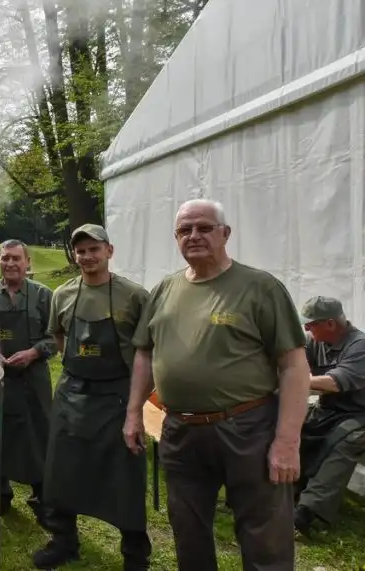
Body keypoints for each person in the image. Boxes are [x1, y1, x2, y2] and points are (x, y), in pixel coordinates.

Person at [124, 198, 310, 571]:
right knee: (187, 529)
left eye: (204, 227)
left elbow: (293, 366)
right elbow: (144, 354)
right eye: (184, 230)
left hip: (247, 427)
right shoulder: (165, 289)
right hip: (180, 430)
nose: (193, 236)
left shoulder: (260, 287)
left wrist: (287, 441)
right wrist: (132, 413)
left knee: (264, 534)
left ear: (226, 234)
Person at [35, 224, 152, 570]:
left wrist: (136, 405)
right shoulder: (64, 294)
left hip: (117, 396)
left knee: (125, 478)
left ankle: (135, 555)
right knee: (62, 470)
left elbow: (147, 350)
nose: (86, 257)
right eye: (80, 251)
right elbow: (58, 338)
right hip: (72, 393)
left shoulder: (135, 296)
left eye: (93, 250)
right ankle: (63, 541)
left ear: (109, 251)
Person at [0, 239, 56, 519]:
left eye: (16, 258)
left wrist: (33, 352)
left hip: (33, 380)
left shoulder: (44, 296)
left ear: (27, 262)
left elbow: (56, 338)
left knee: (39, 435)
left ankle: (43, 496)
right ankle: (0, 496)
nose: (10, 263)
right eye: (5, 258)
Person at [294, 295, 365, 535]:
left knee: (344, 442)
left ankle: (310, 513)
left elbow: (336, 382)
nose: (306, 328)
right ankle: (291, 490)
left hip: (359, 413)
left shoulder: (359, 345)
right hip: (329, 409)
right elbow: (293, 360)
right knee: (296, 430)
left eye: (311, 324)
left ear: (331, 324)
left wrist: (294, 380)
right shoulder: (316, 342)